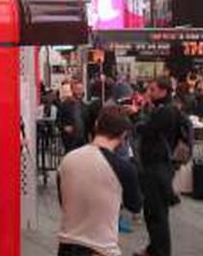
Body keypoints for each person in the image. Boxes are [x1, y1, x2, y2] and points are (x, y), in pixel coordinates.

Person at [57, 105, 143, 256]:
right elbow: (135, 205)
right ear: (123, 135)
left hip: (66, 246)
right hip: (101, 249)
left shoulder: (68, 159)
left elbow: (63, 201)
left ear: (96, 125)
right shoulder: (124, 168)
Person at [132, 76, 182, 256]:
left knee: (157, 212)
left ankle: (160, 251)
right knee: (153, 211)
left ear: (163, 91)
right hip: (157, 164)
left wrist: (135, 114)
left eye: (152, 90)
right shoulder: (165, 109)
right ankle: (154, 248)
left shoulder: (165, 111)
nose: (148, 93)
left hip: (157, 166)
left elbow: (145, 129)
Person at [56, 81, 88, 153]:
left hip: (82, 141)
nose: (79, 92)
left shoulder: (84, 106)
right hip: (70, 141)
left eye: (81, 89)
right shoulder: (65, 105)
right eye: (77, 89)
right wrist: (64, 127)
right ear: (72, 90)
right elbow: (58, 121)